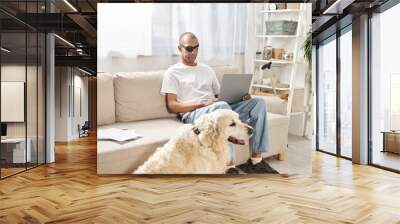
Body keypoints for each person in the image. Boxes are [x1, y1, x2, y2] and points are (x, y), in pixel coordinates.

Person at [160, 32, 272, 173]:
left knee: (258, 102)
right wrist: (200, 104)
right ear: (179, 48)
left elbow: (221, 96)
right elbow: (172, 106)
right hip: (194, 113)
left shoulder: (207, 69)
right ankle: (229, 165)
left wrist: (240, 97)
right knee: (222, 108)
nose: (193, 52)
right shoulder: (172, 72)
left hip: (217, 107)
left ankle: (257, 159)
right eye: (189, 48)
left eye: (196, 48)